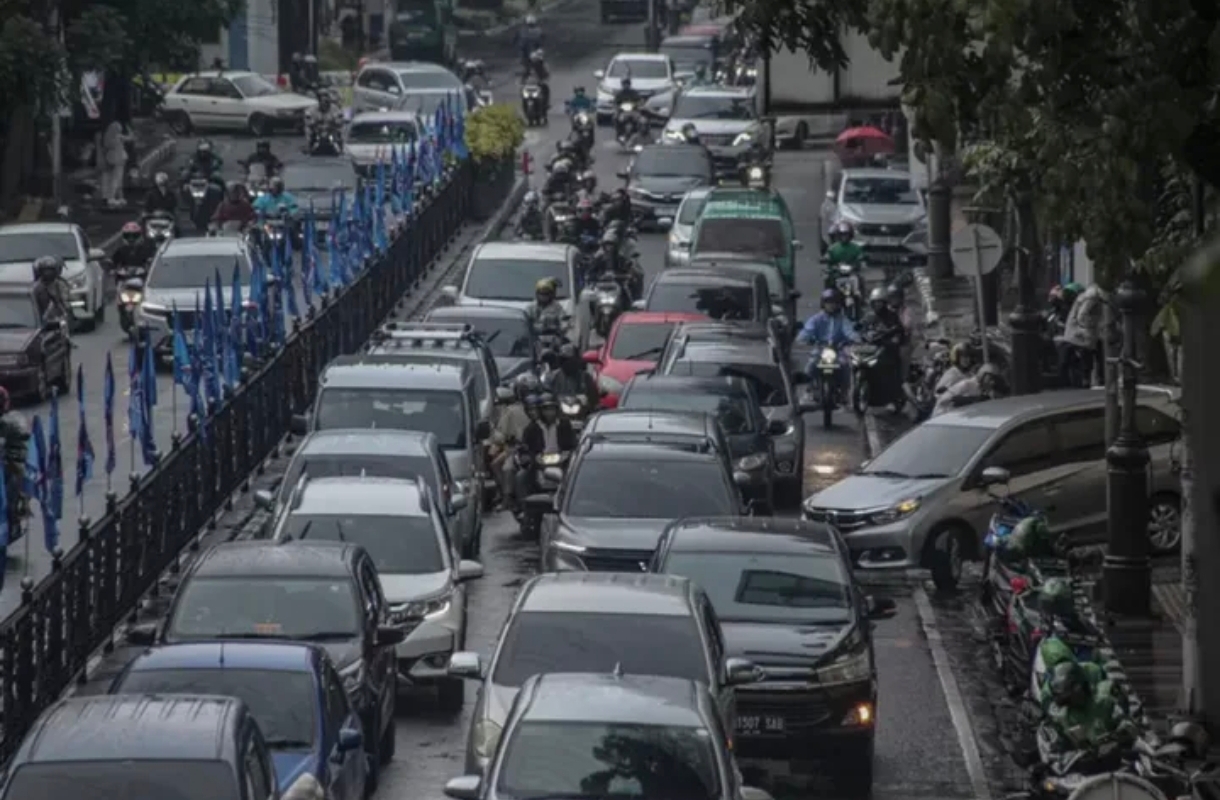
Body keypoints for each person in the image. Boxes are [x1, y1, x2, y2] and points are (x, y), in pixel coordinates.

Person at [515, 393, 577, 503]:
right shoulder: (532, 428)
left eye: (551, 409)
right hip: (539, 461)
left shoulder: (564, 425)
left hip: (562, 460)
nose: (549, 413)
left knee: (576, 475)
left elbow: (572, 444)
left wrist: (567, 454)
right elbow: (525, 447)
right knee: (521, 477)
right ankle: (523, 507)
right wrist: (529, 457)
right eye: (545, 409)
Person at [797, 288, 859, 393]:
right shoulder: (816, 319)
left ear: (839, 304)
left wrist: (855, 338)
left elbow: (849, 331)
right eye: (828, 302)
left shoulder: (842, 319)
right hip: (820, 349)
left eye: (834, 303)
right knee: (811, 365)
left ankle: (845, 391)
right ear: (823, 304)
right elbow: (807, 331)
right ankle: (810, 387)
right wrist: (805, 338)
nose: (831, 305)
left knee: (845, 365)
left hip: (838, 349)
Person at [491, 374, 539, 509]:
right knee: (504, 466)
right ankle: (507, 497)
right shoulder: (512, 410)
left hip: (540, 448)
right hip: (518, 448)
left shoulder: (547, 407)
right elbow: (502, 434)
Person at [1059, 283, 1111, 386]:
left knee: (1094, 349)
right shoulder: (1093, 298)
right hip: (1081, 332)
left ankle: (1093, 378)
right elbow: (1083, 315)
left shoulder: (1086, 297)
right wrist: (1090, 327)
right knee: (1092, 351)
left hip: (1075, 331)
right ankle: (1093, 379)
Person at [0, 386, 30, 535]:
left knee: (9, 499)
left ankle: (13, 523)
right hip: (13, 465)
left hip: (12, 466)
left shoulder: (8, 421)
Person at [932, 362, 1008, 416]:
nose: (992, 383)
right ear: (983, 375)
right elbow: (943, 401)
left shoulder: (985, 392)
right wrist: (968, 400)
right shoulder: (966, 385)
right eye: (990, 379)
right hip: (942, 417)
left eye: (994, 380)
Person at [100, 119, 130, 208]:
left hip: (111, 159)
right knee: (117, 179)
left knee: (114, 178)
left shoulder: (107, 137)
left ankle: (117, 197)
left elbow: (105, 149)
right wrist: (129, 129)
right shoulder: (119, 137)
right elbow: (131, 137)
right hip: (119, 159)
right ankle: (113, 197)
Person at [31, 255, 70, 323]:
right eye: (45, 270)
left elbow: (65, 300)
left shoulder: (60, 284)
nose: (48, 273)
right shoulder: (37, 286)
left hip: (59, 316)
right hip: (41, 317)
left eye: (50, 270)